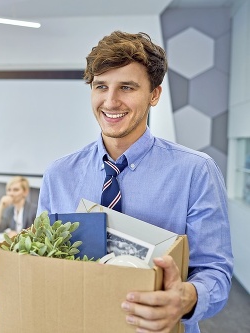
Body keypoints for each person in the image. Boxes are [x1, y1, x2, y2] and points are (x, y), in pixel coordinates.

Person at [37, 31, 233, 333]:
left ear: (154, 94)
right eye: (101, 86)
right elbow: (44, 260)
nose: (111, 101)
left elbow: (215, 272)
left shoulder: (196, 171)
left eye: (126, 87)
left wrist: (186, 298)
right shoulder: (59, 174)